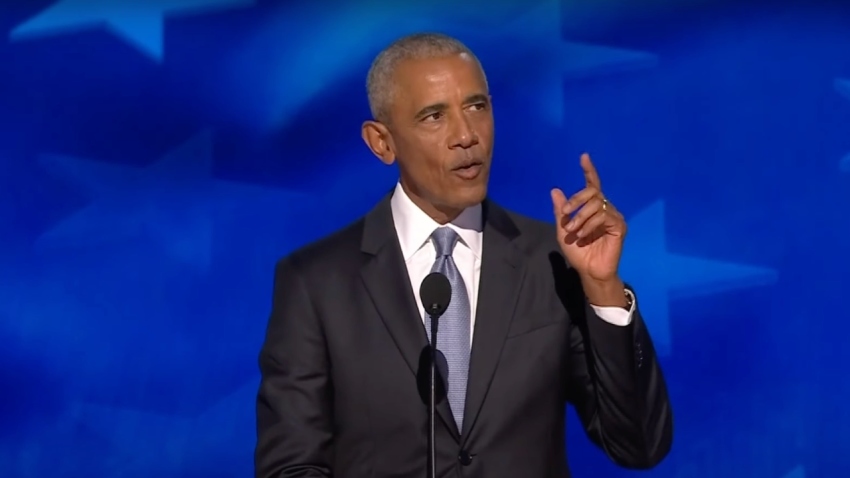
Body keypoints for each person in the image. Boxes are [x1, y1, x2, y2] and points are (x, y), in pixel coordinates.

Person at [255, 32, 673, 478]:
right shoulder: (316, 283)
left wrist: (604, 290)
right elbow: (291, 467)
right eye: (434, 116)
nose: (466, 135)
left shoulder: (551, 262)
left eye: (476, 107)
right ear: (382, 142)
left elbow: (639, 445)